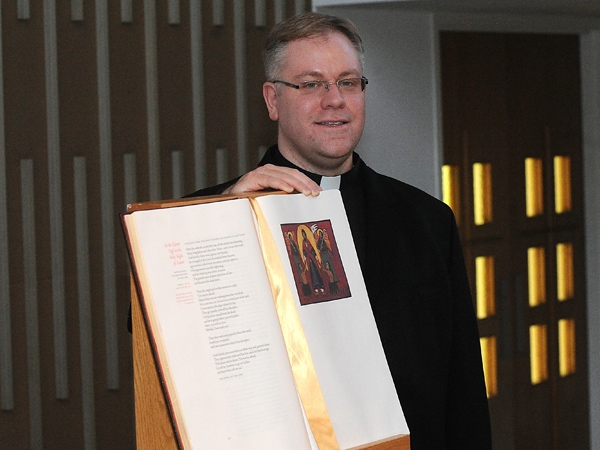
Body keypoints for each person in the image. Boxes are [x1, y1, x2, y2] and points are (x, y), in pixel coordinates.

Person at [185, 12, 492, 450]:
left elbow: (461, 383)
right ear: (273, 100)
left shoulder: (427, 221)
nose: (335, 99)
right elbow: (155, 332)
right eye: (311, 84)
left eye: (348, 82)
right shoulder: (211, 213)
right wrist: (224, 217)